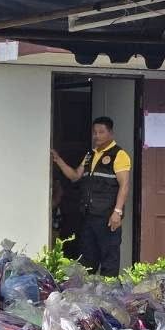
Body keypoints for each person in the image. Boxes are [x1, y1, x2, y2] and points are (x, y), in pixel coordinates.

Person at [50, 116, 131, 276]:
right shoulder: (90, 155)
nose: (97, 136)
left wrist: (117, 212)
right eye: (95, 132)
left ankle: (109, 290)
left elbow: (124, 185)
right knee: (87, 259)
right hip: (88, 215)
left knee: (109, 259)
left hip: (108, 217)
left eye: (101, 132)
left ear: (111, 133)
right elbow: (75, 176)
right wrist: (58, 160)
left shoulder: (119, 155)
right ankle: (89, 290)